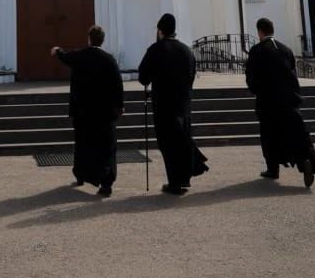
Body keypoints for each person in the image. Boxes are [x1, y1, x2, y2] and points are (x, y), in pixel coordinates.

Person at [245, 17, 315, 187]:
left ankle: (273, 169)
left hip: (268, 103)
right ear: (272, 30)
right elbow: (292, 74)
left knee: (269, 136)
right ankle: (305, 162)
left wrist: (258, 92)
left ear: (259, 32)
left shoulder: (257, 50)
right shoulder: (286, 50)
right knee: (296, 134)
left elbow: (251, 77)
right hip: (289, 101)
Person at [138, 13, 208, 195]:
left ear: (160, 30)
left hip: (163, 106)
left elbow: (143, 76)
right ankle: (184, 178)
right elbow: (192, 77)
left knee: (169, 145)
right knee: (183, 140)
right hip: (183, 105)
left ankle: (176, 182)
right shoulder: (187, 51)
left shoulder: (155, 49)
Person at [51, 25, 124, 197]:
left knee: (83, 144)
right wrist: (120, 105)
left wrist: (57, 50)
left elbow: (65, 57)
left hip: (83, 112)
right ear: (102, 40)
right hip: (105, 113)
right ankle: (106, 183)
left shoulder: (80, 56)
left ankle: (81, 174)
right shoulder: (109, 59)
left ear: (89, 39)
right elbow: (117, 85)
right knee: (106, 147)